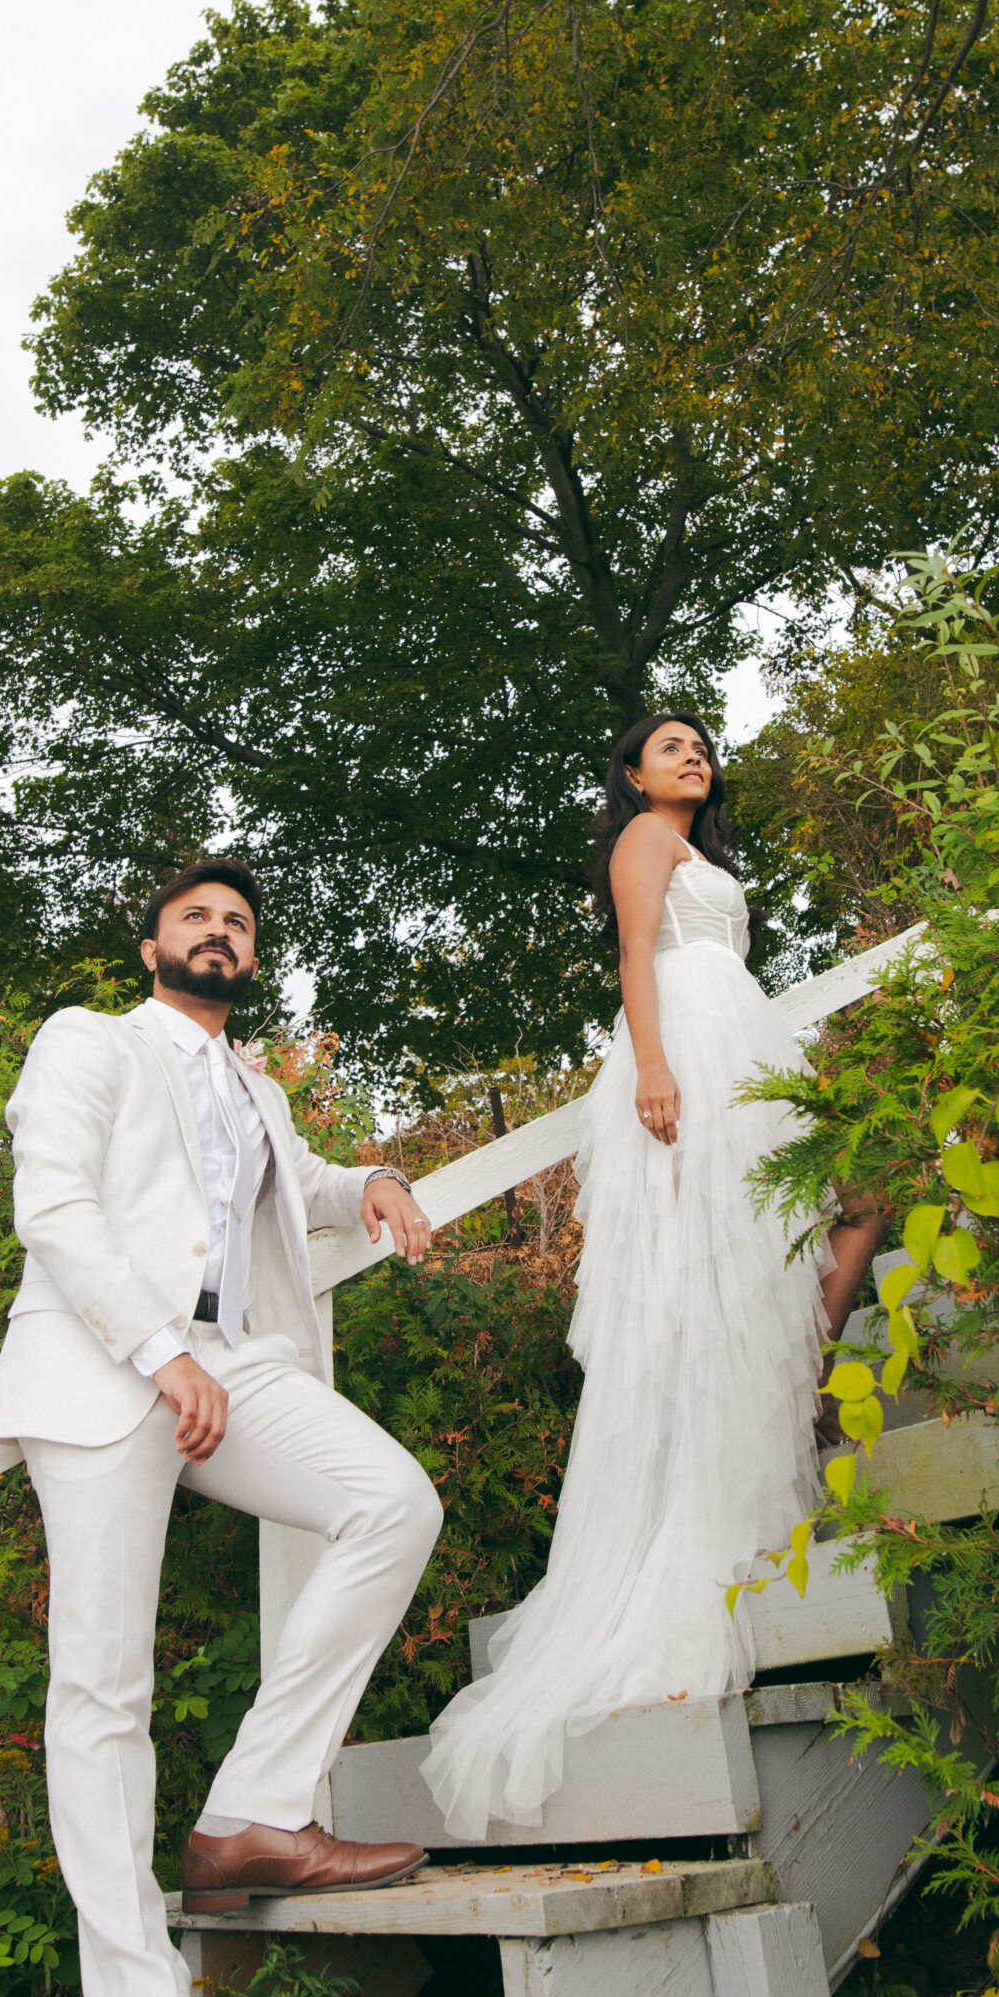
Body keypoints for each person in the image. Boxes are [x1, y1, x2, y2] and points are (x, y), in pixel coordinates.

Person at [0, 859, 444, 1997]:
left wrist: (373, 1181)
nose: (220, 932)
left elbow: (298, 1183)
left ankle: (248, 1816)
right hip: (103, 1358)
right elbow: (53, 1205)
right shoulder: (88, 1041)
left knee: (393, 1503)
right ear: (151, 947)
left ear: (252, 958)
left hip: (232, 1362)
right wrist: (155, 1349)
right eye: (197, 916)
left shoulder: (258, 1087)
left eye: (238, 922)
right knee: (102, 1681)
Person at [421, 715, 889, 1842]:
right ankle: (780, 1420)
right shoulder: (643, 838)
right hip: (687, 1050)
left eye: (699, 744)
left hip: (741, 1040)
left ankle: (795, 1389)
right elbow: (637, 953)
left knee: (827, 1218)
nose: (692, 755)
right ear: (632, 774)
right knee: (716, 1263)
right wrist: (655, 1068)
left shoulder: (701, 851)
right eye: (669, 746)